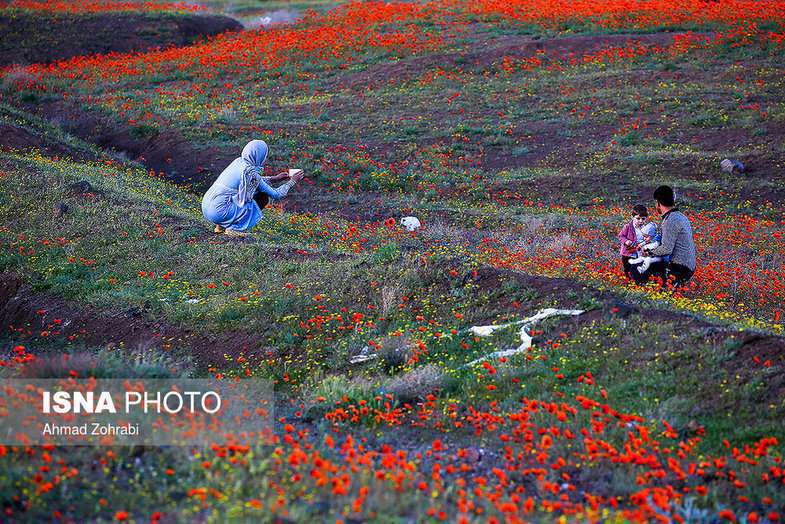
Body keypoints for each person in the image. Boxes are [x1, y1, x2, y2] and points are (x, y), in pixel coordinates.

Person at [201, 140, 304, 237]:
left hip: (207, 207)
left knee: (237, 196)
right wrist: (292, 181)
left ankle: (220, 226)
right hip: (219, 212)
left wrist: (275, 179)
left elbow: (253, 182)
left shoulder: (238, 162)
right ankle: (234, 229)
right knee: (262, 197)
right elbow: (276, 195)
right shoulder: (250, 172)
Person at [640, 185, 696, 289]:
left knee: (643, 270)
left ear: (658, 203)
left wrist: (648, 253)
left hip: (680, 267)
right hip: (689, 265)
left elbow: (666, 249)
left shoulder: (670, 220)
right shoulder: (681, 217)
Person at [618, 204, 657, 282]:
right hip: (628, 253)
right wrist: (626, 241)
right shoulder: (628, 226)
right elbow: (621, 236)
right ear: (633, 217)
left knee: (636, 269)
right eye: (638, 218)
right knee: (628, 269)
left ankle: (637, 282)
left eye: (643, 219)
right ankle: (629, 283)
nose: (640, 221)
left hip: (639, 253)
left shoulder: (646, 228)